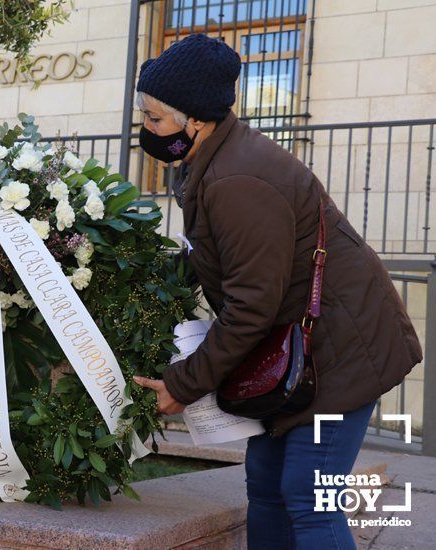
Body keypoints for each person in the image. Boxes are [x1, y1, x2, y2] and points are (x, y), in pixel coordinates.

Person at [130, 34, 421, 549]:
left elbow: (251, 306)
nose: (146, 129)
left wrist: (185, 383)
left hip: (340, 351)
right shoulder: (213, 160)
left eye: (154, 118)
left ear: (193, 119)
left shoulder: (238, 180)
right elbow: (220, 259)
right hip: (296, 352)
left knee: (308, 497)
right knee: (266, 488)